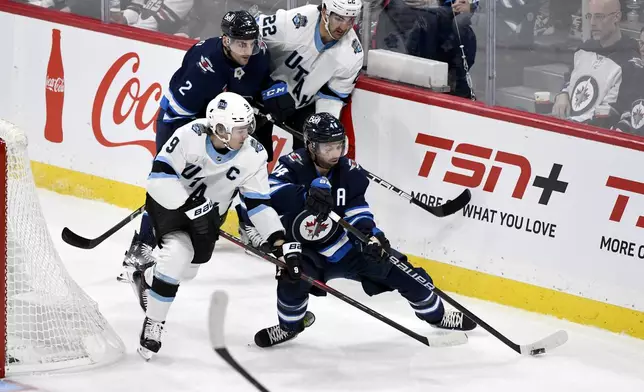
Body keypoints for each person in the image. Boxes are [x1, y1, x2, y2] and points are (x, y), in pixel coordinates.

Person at [237, 113, 477, 348]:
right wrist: (305, 194)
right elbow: (270, 192)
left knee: (403, 270)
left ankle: (436, 316)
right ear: (311, 146)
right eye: (327, 148)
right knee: (292, 280)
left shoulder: (349, 171)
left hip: (346, 247)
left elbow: (357, 209)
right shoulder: (293, 163)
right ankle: (290, 327)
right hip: (307, 250)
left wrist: (372, 235)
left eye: (338, 146)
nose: (334, 154)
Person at [124, 92, 303, 360]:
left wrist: (279, 242)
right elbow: (158, 179)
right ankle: (154, 325)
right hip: (171, 205)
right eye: (239, 129)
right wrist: (188, 206)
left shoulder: (253, 154)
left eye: (247, 127)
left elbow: (258, 204)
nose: (246, 134)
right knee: (176, 256)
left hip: (208, 217)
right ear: (219, 128)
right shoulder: (188, 136)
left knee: (187, 273)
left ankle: (148, 278)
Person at [120, 10, 279, 271]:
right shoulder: (204, 64)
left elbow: (257, 85)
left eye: (251, 42)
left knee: (248, 167)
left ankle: (248, 223)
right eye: (241, 43)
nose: (248, 49)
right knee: (169, 179)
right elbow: (183, 115)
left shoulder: (258, 53)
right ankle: (141, 246)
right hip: (180, 121)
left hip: (228, 122)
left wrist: (269, 99)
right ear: (226, 40)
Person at [253, 0, 364, 159]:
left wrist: (324, 130)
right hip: (261, 90)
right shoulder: (296, 22)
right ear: (325, 11)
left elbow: (331, 98)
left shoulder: (353, 54)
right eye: (338, 18)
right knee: (257, 155)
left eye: (350, 20)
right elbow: (248, 38)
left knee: (308, 158)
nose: (344, 27)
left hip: (300, 104)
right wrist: (266, 85)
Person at [551, 0, 639, 126]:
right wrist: (563, 93)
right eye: (589, 16)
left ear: (617, 17)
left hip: (593, 134)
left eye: (599, 17)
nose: (592, 23)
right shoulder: (584, 49)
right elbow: (570, 80)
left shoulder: (629, 63)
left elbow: (614, 112)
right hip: (566, 125)